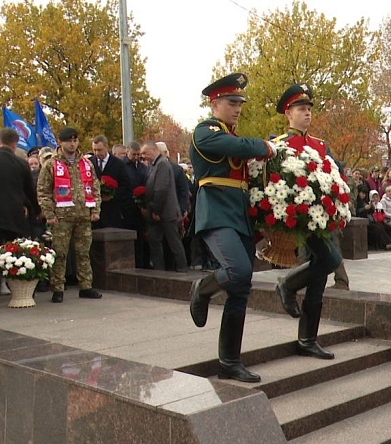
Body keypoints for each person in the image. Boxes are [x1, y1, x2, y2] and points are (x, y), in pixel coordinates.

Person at [187, 73, 277, 383]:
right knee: (238, 271)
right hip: (215, 211)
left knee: (241, 286)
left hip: (237, 213)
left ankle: (229, 361)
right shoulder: (206, 131)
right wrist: (264, 145)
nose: (237, 108)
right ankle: (203, 288)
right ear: (215, 104)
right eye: (231, 102)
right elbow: (232, 146)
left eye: (239, 103)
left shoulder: (236, 136)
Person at [272, 83, 343, 360]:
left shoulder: (319, 145)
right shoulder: (280, 145)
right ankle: (287, 284)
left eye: (309, 109)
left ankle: (308, 338)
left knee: (320, 276)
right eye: (301, 109)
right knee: (329, 260)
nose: (307, 113)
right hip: (297, 220)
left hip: (320, 217)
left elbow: (335, 174)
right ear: (288, 113)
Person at [36, 127, 103, 303]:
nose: (72, 144)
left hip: (83, 216)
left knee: (83, 253)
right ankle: (57, 288)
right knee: (60, 254)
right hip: (61, 217)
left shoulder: (86, 163)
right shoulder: (51, 164)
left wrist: (95, 210)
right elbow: (43, 191)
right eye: (69, 141)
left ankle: (86, 286)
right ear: (61, 142)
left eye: (75, 140)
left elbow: (95, 188)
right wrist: (49, 214)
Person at [0, 128, 37, 303]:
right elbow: (28, 191)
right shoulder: (21, 163)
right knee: (19, 251)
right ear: (15, 143)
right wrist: (34, 209)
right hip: (15, 213)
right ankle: (23, 289)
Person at [142, 140, 188, 272]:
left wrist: (156, 210)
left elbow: (161, 189)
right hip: (159, 211)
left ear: (153, 150)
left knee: (174, 243)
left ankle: (181, 270)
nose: (143, 156)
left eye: (145, 152)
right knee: (154, 241)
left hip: (165, 212)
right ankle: (159, 270)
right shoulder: (154, 165)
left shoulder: (162, 164)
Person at [90, 135, 132, 230]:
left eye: (99, 150)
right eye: (94, 150)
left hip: (113, 212)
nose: (96, 153)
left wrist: (112, 196)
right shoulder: (89, 163)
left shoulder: (119, 164)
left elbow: (126, 187)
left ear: (106, 147)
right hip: (94, 212)